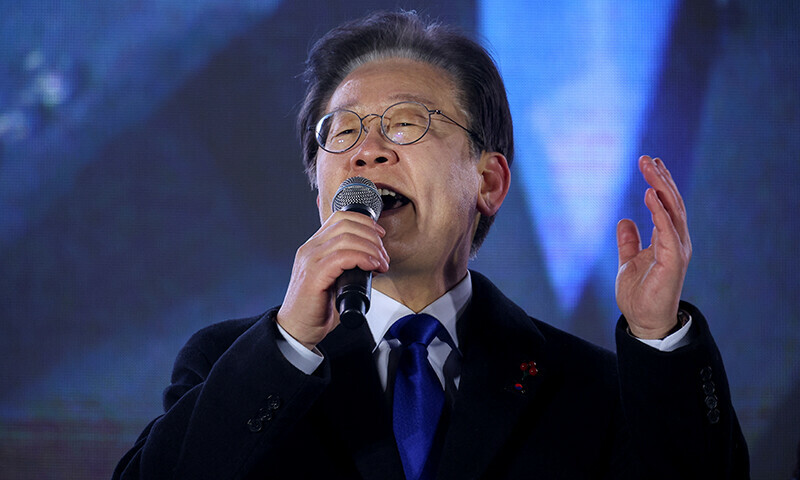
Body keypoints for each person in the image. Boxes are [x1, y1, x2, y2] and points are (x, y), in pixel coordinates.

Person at [113, 10, 749, 480]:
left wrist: (657, 337)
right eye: (342, 133)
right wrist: (286, 346)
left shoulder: (587, 388)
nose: (367, 149)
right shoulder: (231, 365)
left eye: (407, 123)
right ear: (321, 195)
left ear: (490, 182)